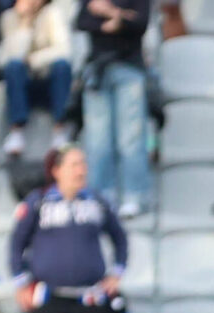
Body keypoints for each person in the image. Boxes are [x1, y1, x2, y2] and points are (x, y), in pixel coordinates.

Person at [7, 147, 129, 313]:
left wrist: (117, 273)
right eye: (74, 165)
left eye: (83, 164)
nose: (81, 170)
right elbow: (16, 243)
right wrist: (20, 282)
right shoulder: (38, 202)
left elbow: (120, 238)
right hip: (49, 301)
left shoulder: (97, 201)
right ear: (56, 170)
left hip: (89, 300)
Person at [75, 0, 153, 216]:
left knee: (131, 138)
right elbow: (82, 20)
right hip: (98, 70)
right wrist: (115, 20)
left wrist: (111, 13)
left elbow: (141, 23)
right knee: (98, 139)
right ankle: (101, 196)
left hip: (130, 69)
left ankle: (134, 195)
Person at [0, 0, 75, 157]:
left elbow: (64, 50)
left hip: (49, 83)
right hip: (23, 85)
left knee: (62, 67)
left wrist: (33, 60)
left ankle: (59, 131)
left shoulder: (53, 13)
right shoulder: (8, 17)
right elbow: (12, 56)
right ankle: (16, 132)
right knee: (13, 68)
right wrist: (25, 22)